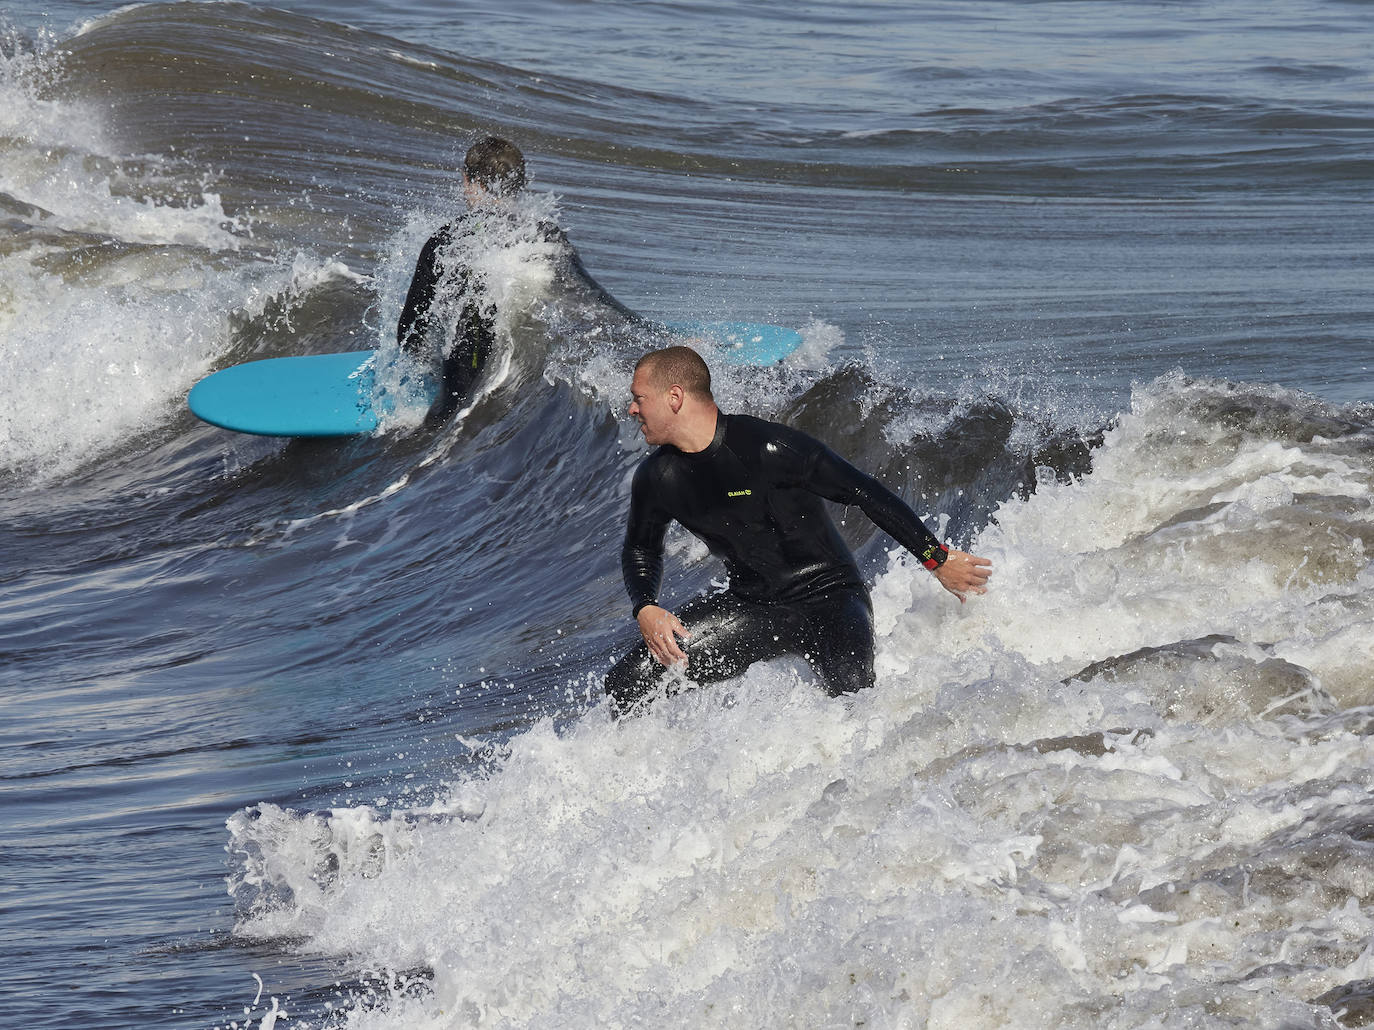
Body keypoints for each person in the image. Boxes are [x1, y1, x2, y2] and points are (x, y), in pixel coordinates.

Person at [605, 345, 993, 715]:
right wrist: (646, 606)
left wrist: (936, 558)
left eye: (639, 397)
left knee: (854, 700)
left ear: (675, 397)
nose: (632, 408)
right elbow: (641, 548)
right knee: (626, 686)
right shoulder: (657, 477)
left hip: (830, 598)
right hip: (752, 607)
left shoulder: (768, 447)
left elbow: (864, 492)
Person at [396, 135, 636, 418]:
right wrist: (647, 331)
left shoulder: (447, 240)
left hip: (466, 363)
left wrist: (419, 370)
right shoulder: (545, 237)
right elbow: (591, 299)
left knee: (449, 415)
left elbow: (411, 328)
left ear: (470, 181)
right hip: (525, 391)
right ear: (518, 186)